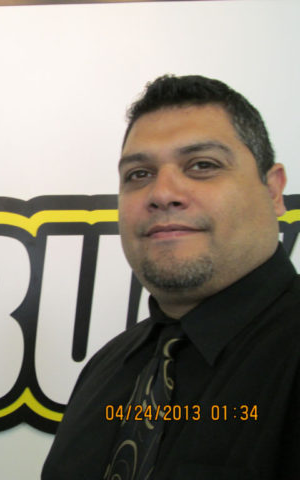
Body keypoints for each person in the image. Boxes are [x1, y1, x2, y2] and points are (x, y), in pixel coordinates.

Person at [42, 75, 300, 479]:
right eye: (139, 174)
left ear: (272, 189)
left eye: (202, 166)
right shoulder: (105, 369)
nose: (162, 192)